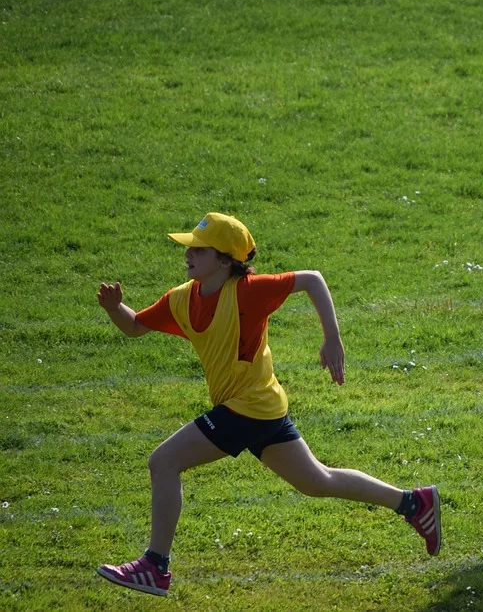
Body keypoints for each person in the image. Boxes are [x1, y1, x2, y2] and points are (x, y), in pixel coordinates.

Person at [95, 212, 441, 597]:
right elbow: (135, 326)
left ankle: (155, 566)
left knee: (164, 461)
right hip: (263, 406)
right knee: (317, 481)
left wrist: (333, 339)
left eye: (200, 250)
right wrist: (114, 308)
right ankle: (414, 504)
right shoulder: (180, 299)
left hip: (249, 407)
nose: (189, 255)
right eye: (189, 248)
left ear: (225, 261)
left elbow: (313, 279)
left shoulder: (247, 291)